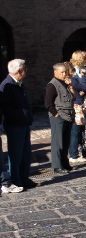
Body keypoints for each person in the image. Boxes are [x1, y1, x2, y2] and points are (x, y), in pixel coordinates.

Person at [0, 59, 35, 192]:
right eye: (25, 68)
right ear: (20, 71)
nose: (26, 70)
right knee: (16, 155)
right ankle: (16, 179)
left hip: (24, 123)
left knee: (25, 153)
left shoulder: (19, 84)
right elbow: (7, 109)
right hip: (15, 125)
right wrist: (21, 116)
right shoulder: (7, 85)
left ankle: (24, 178)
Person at [45, 63, 74, 174]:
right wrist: (56, 114)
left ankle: (65, 163)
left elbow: (74, 96)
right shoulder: (52, 85)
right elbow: (48, 103)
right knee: (58, 142)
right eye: (61, 72)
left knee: (66, 142)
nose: (64, 74)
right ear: (55, 72)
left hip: (68, 115)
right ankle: (57, 166)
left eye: (65, 72)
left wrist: (71, 86)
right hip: (59, 116)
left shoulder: (66, 83)